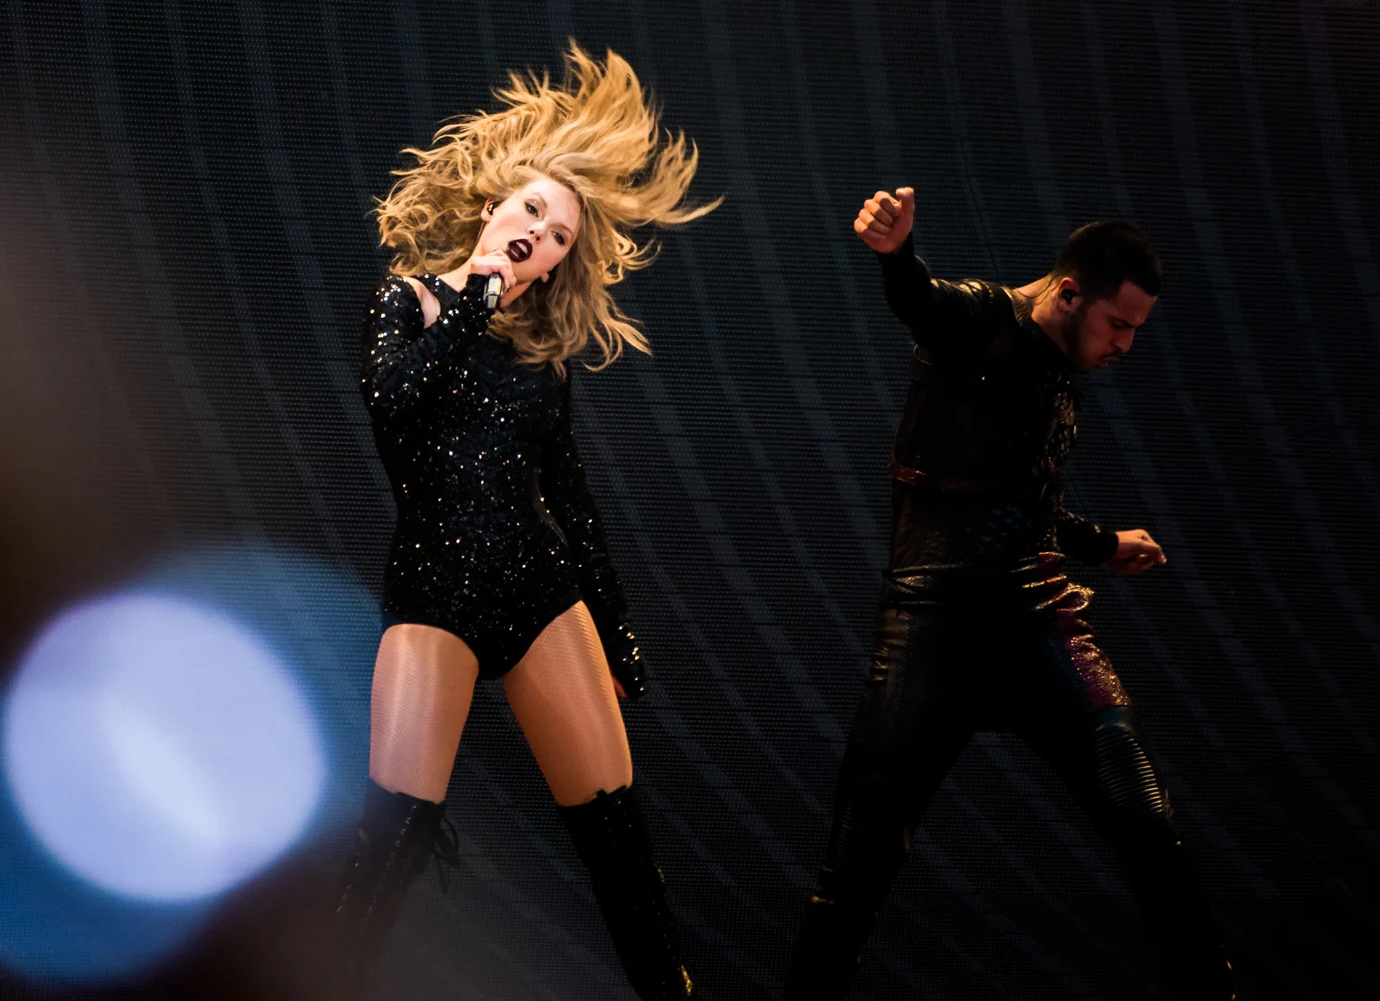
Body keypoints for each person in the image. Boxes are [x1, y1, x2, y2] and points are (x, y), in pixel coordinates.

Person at [784, 188, 1234, 1000]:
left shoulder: (1062, 366)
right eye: (1117, 324)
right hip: (931, 625)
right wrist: (895, 254)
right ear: (1068, 292)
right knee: (859, 859)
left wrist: (1103, 545)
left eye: (1135, 329)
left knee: (1140, 809)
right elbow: (921, 302)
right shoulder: (981, 321)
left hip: (1036, 621)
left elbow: (1020, 499)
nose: (1125, 345)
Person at [333, 44, 715, 1000]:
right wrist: (474, 299)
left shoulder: (540, 359)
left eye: (556, 239)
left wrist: (616, 631)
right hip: (435, 591)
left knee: (617, 837)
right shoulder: (407, 302)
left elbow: (572, 501)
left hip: (540, 593)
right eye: (533, 212)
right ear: (494, 206)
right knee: (396, 833)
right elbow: (391, 402)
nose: (539, 235)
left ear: (553, 268)